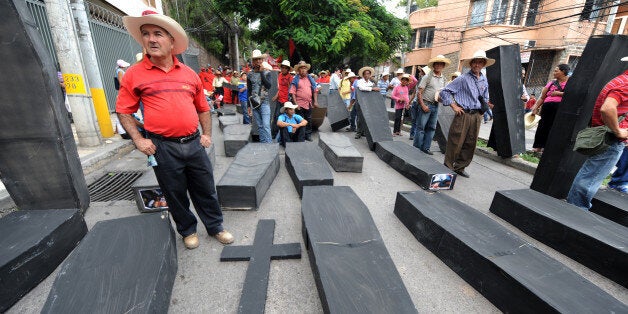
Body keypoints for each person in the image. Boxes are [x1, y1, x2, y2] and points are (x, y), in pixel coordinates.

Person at [117, 10, 233, 249]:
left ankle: (215, 227)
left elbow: (202, 107)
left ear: (172, 41)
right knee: (174, 193)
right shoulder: (134, 74)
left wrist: (207, 134)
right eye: (146, 34)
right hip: (162, 146)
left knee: (205, 189)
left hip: (193, 143)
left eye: (158, 34)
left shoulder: (190, 74)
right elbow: (123, 110)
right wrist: (139, 140)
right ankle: (188, 230)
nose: (151, 39)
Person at [567, 60, 628, 209]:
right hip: (611, 139)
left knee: (588, 175)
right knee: (589, 179)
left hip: (606, 136)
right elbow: (607, 108)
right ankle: (576, 211)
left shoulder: (620, 80)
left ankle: (573, 209)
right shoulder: (626, 84)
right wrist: (618, 130)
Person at [439, 50, 494, 178]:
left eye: (480, 62)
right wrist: (454, 106)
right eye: (475, 62)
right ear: (471, 64)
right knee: (455, 141)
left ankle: (460, 167)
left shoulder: (484, 80)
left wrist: (485, 106)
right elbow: (445, 92)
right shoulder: (463, 78)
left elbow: (485, 96)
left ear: (483, 64)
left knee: (470, 143)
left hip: (476, 115)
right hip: (463, 114)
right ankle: (448, 166)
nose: (477, 65)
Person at [413, 55, 450, 154]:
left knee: (432, 128)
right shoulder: (427, 77)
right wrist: (423, 105)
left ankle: (426, 148)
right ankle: (416, 148)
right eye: (436, 64)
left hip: (436, 105)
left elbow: (443, 94)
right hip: (426, 104)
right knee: (421, 127)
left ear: (443, 66)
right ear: (433, 65)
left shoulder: (444, 79)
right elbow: (419, 92)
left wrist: (443, 100)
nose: (438, 66)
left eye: (440, 64)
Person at [531, 64, 570, 152]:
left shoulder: (570, 82)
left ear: (563, 72)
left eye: (556, 71)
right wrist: (536, 107)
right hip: (547, 107)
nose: (554, 72)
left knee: (554, 127)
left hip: (560, 109)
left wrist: (558, 93)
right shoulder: (552, 83)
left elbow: (572, 94)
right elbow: (542, 97)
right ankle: (538, 147)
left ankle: (547, 148)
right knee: (542, 126)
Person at [248, 50, 273, 143]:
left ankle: (269, 145)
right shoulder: (250, 74)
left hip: (265, 102)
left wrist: (262, 72)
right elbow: (249, 91)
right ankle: (263, 144)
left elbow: (268, 86)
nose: (258, 61)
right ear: (253, 62)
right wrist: (248, 106)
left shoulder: (267, 73)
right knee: (260, 125)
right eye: (255, 59)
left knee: (266, 125)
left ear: (262, 60)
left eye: (259, 59)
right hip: (254, 103)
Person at [290, 61, 319, 141]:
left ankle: (308, 135)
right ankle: (301, 137)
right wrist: (296, 104)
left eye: (304, 68)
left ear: (307, 70)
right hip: (299, 103)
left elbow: (315, 90)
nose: (303, 70)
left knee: (308, 120)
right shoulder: (295, 80)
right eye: (301, 68)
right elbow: (293, 92)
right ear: (298, 70)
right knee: (300, 120)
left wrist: (315, 101)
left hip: (308, 103)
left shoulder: (310, 79)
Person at [354, 66, 381, 139]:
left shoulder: (371, 82)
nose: (367, 75)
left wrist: (374, 88)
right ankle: (358, 132)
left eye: (368, 74)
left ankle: (363, 132)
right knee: (360, 117)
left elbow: (375, 90)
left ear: (370, 75)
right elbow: (362, 88)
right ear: (363, 75)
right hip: (360, 101)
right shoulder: (360, 81)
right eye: (365, 74)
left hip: (368, 102)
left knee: (366, 117)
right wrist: (372, 89)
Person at [272, 60, 293, 138]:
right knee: (276, 117)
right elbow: (280, 88)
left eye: (285, 68)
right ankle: (274, 135)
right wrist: (276, 95)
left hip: (286, 102)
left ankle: (284, 136)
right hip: (279, 100)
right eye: (282, 67)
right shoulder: (279, 75)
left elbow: (291, 90)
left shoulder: (290, 78)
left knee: (284, 119)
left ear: (288, 69)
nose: (283, 69)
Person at [409, 66, 429, 140]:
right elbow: (414, 92)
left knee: (419, 121)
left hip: (421, 103)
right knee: (414, 119)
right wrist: (409, 101)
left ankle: (417, 136)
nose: (420, 73)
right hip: (415, 102)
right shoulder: (418, 81)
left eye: (421, 72)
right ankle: (412, 134)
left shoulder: (427, 81)